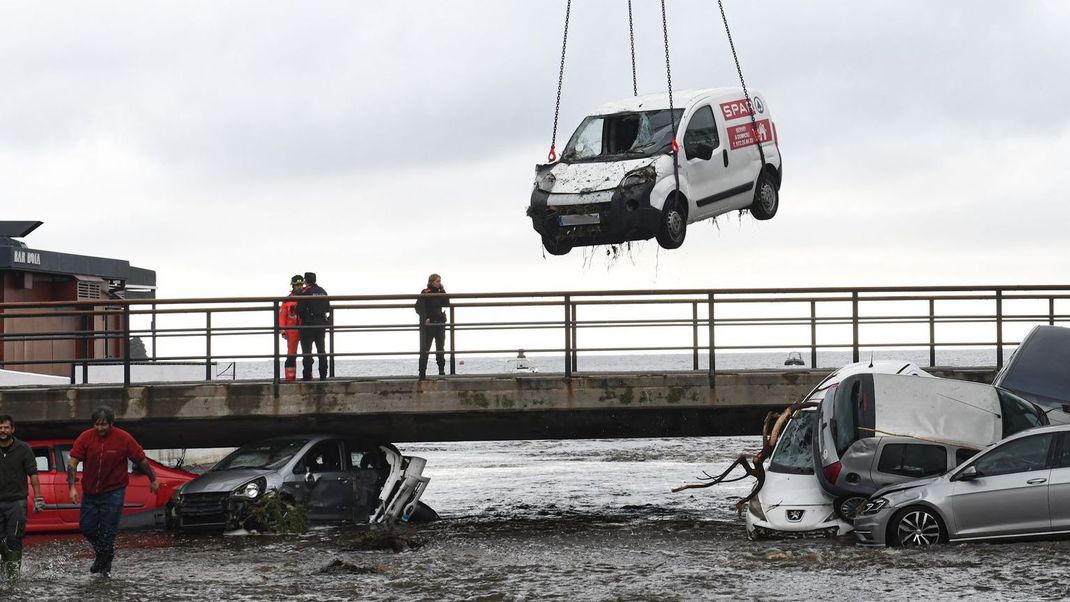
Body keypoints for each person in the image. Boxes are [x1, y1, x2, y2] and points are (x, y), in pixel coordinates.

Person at [67, 406, 158, 577]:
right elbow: (72, 463)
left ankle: (104, 569)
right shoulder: (85, 438)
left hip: (114, 491)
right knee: (86, 526)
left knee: (108, 531)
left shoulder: (124, 438)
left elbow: (141, 460)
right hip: (91, 491)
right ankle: (104, 554)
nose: (100, 428)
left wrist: (153, 479)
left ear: (111, 423)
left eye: (103, 425)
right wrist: (71, 487)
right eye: (97, 425)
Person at [0, 415, 44, 581]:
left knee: (14, 539)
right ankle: (6, 560)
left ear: (12, 429)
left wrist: (38, 498)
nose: (2, 431)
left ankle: (12, 579)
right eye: (0, 428)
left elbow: (33, 474)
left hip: (16, 503)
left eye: (5, 427)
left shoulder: (24, 448)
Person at [297, 271, 331, 380]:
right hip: (321, 324)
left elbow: (299, 309)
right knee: (321, 350)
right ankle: (323, 375)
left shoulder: (306, 293)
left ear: (305, 281)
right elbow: (327, 308)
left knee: (307, 352)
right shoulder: (323, 291)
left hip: (308, 325)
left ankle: (307, 375)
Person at [415, 273, 450, 379]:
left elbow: (447, 304)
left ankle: (441, 370)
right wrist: (425, 318)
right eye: (437, 281)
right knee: (425, 348)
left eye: (440, 281)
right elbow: (418, 307)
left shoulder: (440, 292)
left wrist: (443, 291)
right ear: (432, 282)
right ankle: (422, 372)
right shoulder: (425, 292)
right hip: (429, 324)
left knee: (440, 347)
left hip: (439, 323)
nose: (439, 283)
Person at [279, 274, 304, 381]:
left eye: (300, 285)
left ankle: (308, 375)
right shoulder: (287, 301)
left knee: (307, 353)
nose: (299, 287)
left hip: (304, 329)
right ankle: (290, 377)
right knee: (291, 354)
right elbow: (282, 316)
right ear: (293, 286)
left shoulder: (307, 298)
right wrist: (282, 330)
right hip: (291, 331)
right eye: (297, 285)